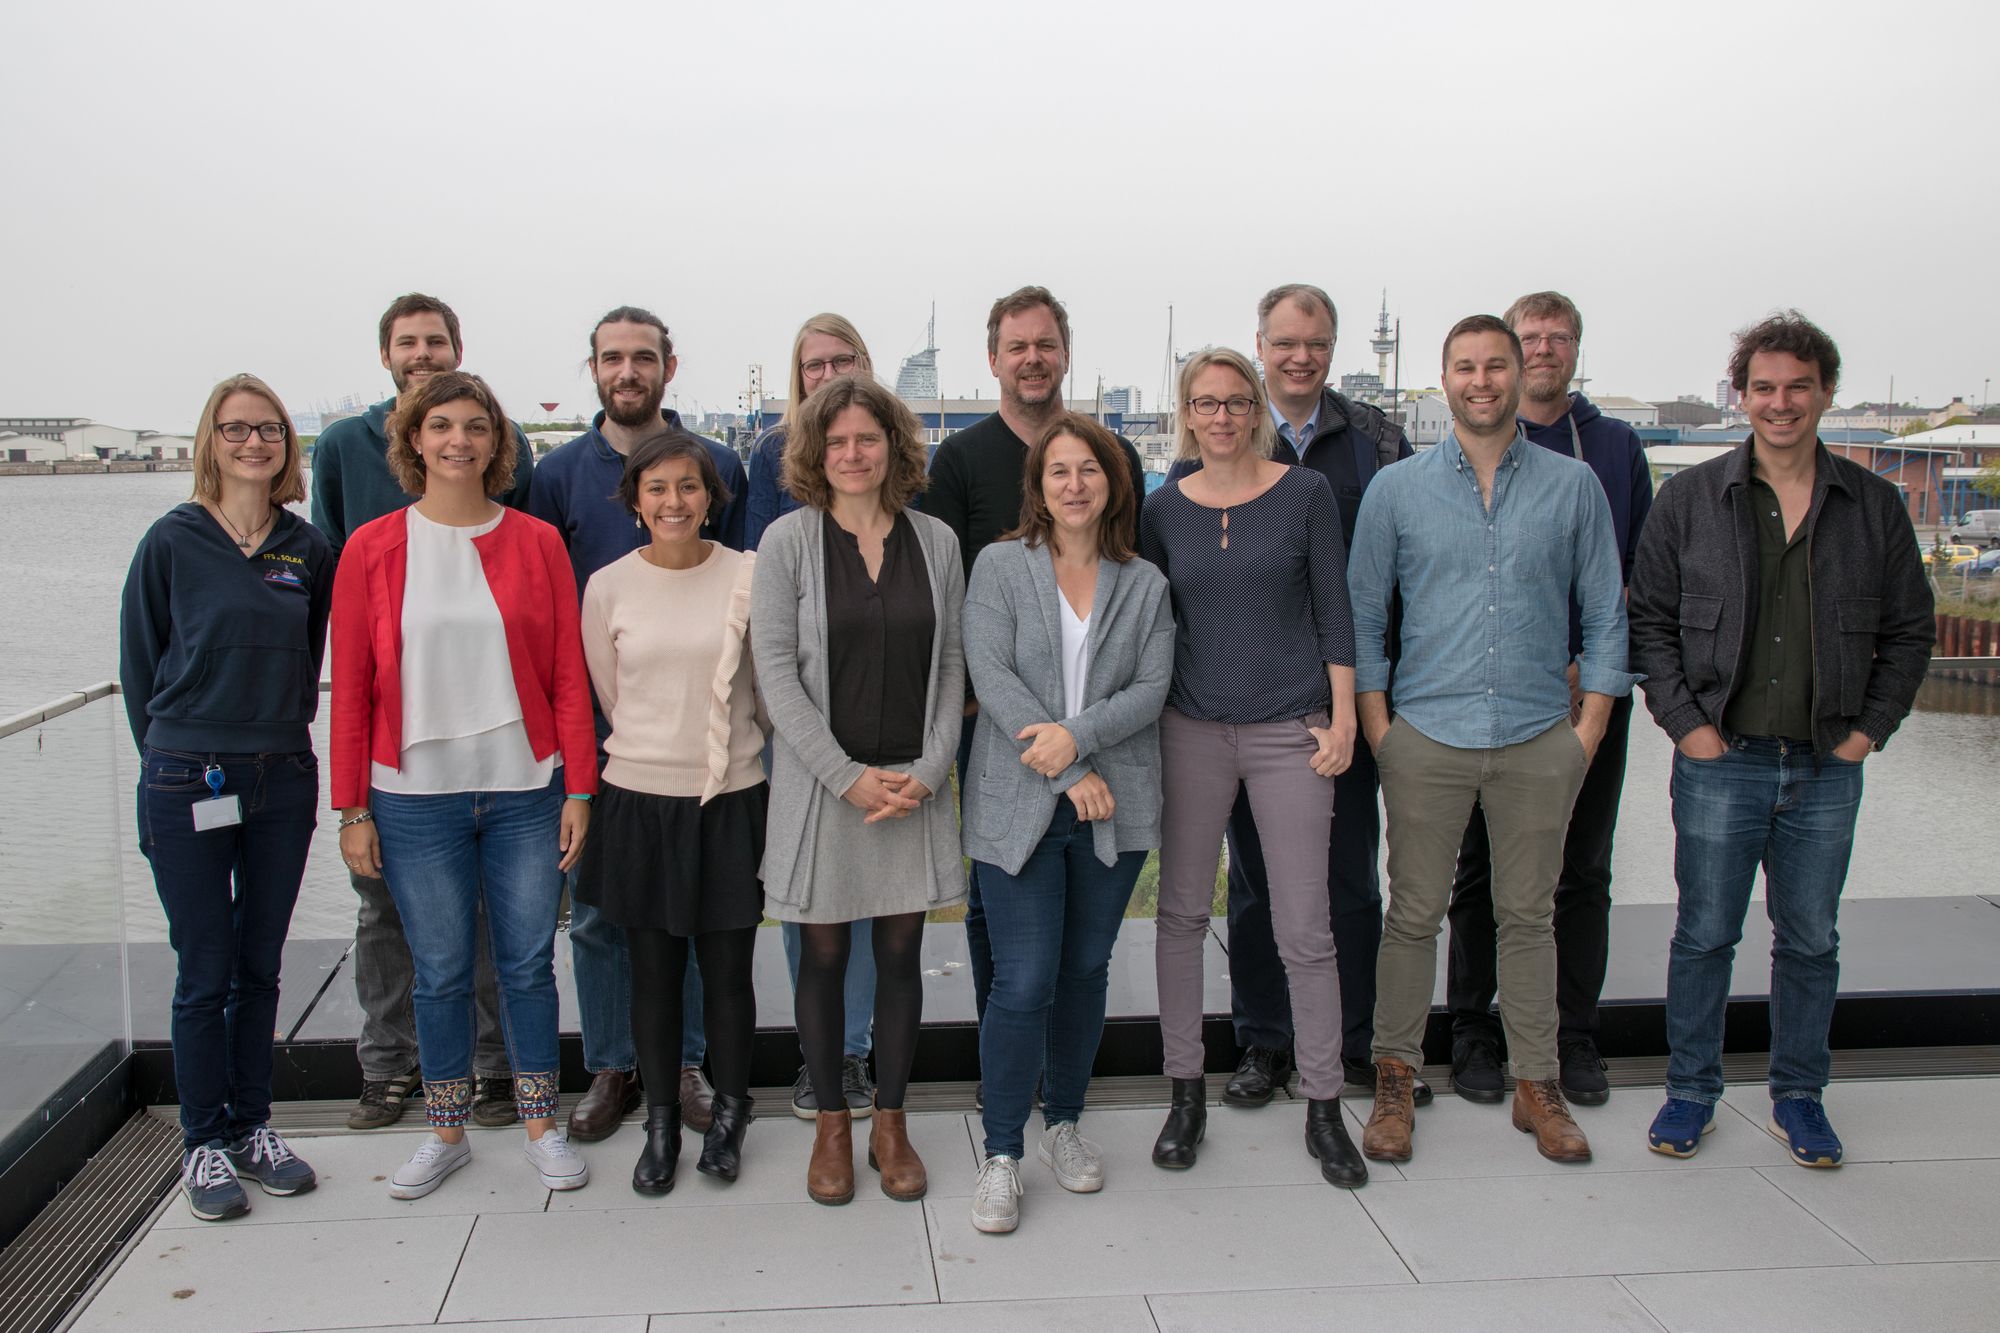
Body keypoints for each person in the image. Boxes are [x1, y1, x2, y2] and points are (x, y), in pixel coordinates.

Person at [1628, 311, 1932, 1167]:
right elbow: (1647, 620)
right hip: (1721, 758)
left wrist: (1869, 731)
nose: (1781, 402)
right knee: (1703, 934)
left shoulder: (1872, 506)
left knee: (1810, 939)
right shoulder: (1691, 499)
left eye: (1798, 385)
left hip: (1826, 763)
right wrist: (1686, 727)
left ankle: (1800, 1096)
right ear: (1740, 395)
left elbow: (1911, 631)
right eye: (1764, 387)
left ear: (1826, 392)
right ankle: (1691, 1090)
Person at [1348, 316, 1634, 1167]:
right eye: (1466, 367)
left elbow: (1607, 616)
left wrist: (1586, 733)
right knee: (1412, 916)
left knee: (1529, 917)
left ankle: (1536, 1085)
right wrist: (1379, 729)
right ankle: (1396, 1076)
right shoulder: (1396, 490)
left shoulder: (1573, 485)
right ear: (1445, 381)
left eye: (1496, 365)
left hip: (1537, 735)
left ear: (1520, 374)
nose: (1483, 380)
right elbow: (1365, 616)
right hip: (1425, 735)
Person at [331, 370, 597, 1199]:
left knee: (524, 966)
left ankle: (540, 1123)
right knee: (441, 969)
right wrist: (350, 807)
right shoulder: (371, 547)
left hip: (525, 788)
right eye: (440, 425)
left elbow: (565, 675)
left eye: (475, 426)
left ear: (496, 441)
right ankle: (444, 1131)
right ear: (413, 439)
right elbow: (353, 687)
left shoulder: (536, 541)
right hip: (412, 799)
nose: (458, 440)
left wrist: (579, 788)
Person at [1166, 284, 1420, 1109]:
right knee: (1250, 887)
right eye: (1285, 342)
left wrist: (1354, 714)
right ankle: (1263, 1043)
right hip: (1211, 720)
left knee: (1346, 882)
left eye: (1315, 341)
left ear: (1333, 346)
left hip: (1322, 712)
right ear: (1262, 346)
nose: (1300, 355)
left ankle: (1350, 1047)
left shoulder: (1374, 441)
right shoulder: (1173, 493)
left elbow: (1364, 589)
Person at [1139, 348, 1367, 1190]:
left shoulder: (1304, 495)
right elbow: (1145, 622)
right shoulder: (1162, 510)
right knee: (1181, 917)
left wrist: (1342, 720)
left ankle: (1323, 1102)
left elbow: (1335, 612)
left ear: (1258, 406)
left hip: (1290, 730)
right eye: (1207, 403)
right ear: (1187, 412)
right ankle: (1185, 1093)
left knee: (1305, 928)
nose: (1224, 416)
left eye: (1238, 401)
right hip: (1191, 730)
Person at [311, 293, 536, 1133]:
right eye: (407, 342)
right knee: (383, 907)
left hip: (489, 732)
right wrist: (350, 795)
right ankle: (389, 1064)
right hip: (393, 727)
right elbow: (331, 571)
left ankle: (490, 1067)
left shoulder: (490, 440)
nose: (421, 353)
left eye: (435, 340)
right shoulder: (342, 447)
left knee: (481, 915)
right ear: (386, 357)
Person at [528, 305, 748, 1145]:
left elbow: (735, 606)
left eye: (643, 358)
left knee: (695, 918)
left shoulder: (720, 463)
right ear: (593, 370)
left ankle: (686, 1064)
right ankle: (615, 1063)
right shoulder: (558, 476)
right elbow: (558, 614)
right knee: (597, 911)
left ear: (669, 365)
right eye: (613, 358)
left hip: (708, 742)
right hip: (601, 735)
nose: (628, 371)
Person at [120, 374, 332, 1221]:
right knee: (203, 967)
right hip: (186, 775)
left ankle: (254, 1127)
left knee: (260, 963)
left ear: (288, 445)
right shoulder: (171, 541)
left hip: (281, 775)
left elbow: (308, 658)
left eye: (270, 429)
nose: (254, 443)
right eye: (237, 429)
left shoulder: (306, 548)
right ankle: (202, 1142)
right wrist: (175, 756)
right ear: (211, 440)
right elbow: (142, 666)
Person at [751, 376, 967, 1206]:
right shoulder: (786, 543)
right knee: (826, 953)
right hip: (823, 792)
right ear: (816, 451)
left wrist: (931, 766)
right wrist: (844, 776)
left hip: (911, 787)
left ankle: (891, 1121)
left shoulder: (938, 542)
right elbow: (774, 673)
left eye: (866, 440)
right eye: (836, 442)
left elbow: (950, 665)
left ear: (894, 447)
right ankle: (832, 1125)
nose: (852, 454)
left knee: (902, 954)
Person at [960, 413, 1174, 1234]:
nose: (1075, 483)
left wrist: (1080, 746)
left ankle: (1066, 1125)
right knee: (1024, 977)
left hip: (1114, 807)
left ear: (1114, 481)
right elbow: (993, 675)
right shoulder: (1000, 566)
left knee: (1085, 969)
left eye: (1090, 468)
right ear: (1038, 486)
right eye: (1059, 471)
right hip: (1020, 799)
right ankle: (1003, 1152)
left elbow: (1149, 690)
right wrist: (1070, 767)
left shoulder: (1145, 582)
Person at [1444, 291, 1654, 1107]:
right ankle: (1473, 1028)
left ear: (1574, 349)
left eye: (1555, 338)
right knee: (1479, 870)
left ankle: (1574, 1034)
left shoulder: (1614, 447)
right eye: (1525, 339)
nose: (1539, 352)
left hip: (1588, 697)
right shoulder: (1464, 449)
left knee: (1581, 871)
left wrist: (1587, 672)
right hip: (1482, 701)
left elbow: (1632, 575)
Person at [924, 286, 1146, 1041]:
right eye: (1016, 346)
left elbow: (1127, 591)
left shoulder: (1112, 459)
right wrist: (998, 702)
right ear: (993, 359)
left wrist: (1080, 727)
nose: (1031, 358)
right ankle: (1006, 1055)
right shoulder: (956, 460)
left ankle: (1054, 1073)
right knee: (994, 905)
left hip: (1091, 726)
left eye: (1044, 344)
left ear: (1065, 354)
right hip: (994, 723)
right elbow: (950, 595)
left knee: (1080, 933)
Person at [575, 434, 766, 1194]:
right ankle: (659, 1122)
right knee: (650, 973)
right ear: (635, 498)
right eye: (657, 488)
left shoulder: (749, 575)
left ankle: (730, 1113)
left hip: (731, 795)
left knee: (727, 973)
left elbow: (769, 686)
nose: (675, 502)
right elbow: (612, 694)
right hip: (640, 799)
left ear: (711, 495)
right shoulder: (608, 586)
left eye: (689, 486)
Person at [742, 313, 882, 1120]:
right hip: (798, 713)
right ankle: (816, 1052)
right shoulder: (771, 457)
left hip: (884, 707)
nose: (826, 373)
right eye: (812, 363)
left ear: (866, 362)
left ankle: (856, 1053)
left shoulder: (894, 446)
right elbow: (767, 586)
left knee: (870, 895)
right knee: (804, 891)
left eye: (842, 359)